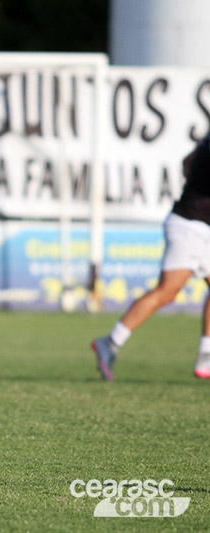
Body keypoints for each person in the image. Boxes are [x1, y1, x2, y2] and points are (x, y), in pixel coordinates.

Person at [92, 132, 210, 381]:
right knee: (167, 292)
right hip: (190, 224)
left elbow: (186, 164)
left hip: (200, 224)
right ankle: (110, 342)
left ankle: (206, 356)